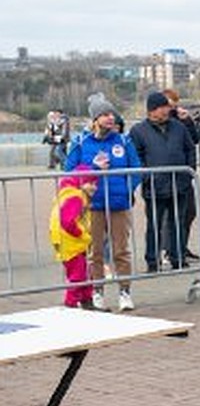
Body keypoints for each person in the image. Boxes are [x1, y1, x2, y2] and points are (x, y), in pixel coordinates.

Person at [64, 93, 141, 312]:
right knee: (94, 251)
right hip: (92, 205)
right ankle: (97, 292)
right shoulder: (80, 142)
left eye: (112, 114)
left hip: (119, 204)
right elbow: (70, 172)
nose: (111, 118)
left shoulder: (124, 141)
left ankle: (125, 292)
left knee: (121, 250)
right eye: (105, 114)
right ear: (95, 119)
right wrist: (93, 171)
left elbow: (136, 169)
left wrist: (126, 190)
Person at [129, 91, 196, 272]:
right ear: (152, 110)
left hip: (180, 183)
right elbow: (136, 157)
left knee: (178, 222)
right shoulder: (138, 131)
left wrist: (189, 172)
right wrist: (147, 175)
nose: (166, 110)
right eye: (162, 107)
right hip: (154, 186)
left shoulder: (178, 127)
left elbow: (190, 149)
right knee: (154, 225)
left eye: (167, 106)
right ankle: (153, 260)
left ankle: (178, 257)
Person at [163, 88, 200, 258]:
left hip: (186, 173)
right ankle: (168, 250)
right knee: (169, 215)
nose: (172, 105)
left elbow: (195, 139)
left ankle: (182, 246)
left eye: (174, 101)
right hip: (167, 174)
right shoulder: (162, 122)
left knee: (189, 212)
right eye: (168, 102)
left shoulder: (181, 120)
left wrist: (187, 120)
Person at [49, 165, 98, 308]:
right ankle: (70, 303)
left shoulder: (74, 195)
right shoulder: (76, 197)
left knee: (85, 272)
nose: (94, 187)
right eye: (91, 183)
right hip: (70, 243)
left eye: (95, 184)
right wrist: (82, 235)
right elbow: (67, 222)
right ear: (82, 183)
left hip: (71, 242)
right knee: (77, 275)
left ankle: (87, 300)